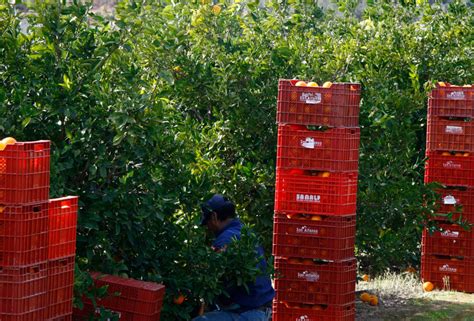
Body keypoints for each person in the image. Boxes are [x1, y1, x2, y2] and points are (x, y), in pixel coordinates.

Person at [192, 194, 274, 321]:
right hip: (262, 309)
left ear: (214, 216)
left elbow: (211, 277)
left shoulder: (225, 240)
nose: (207, 227)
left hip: (247, 312)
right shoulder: (245, 232)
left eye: (207, 221)